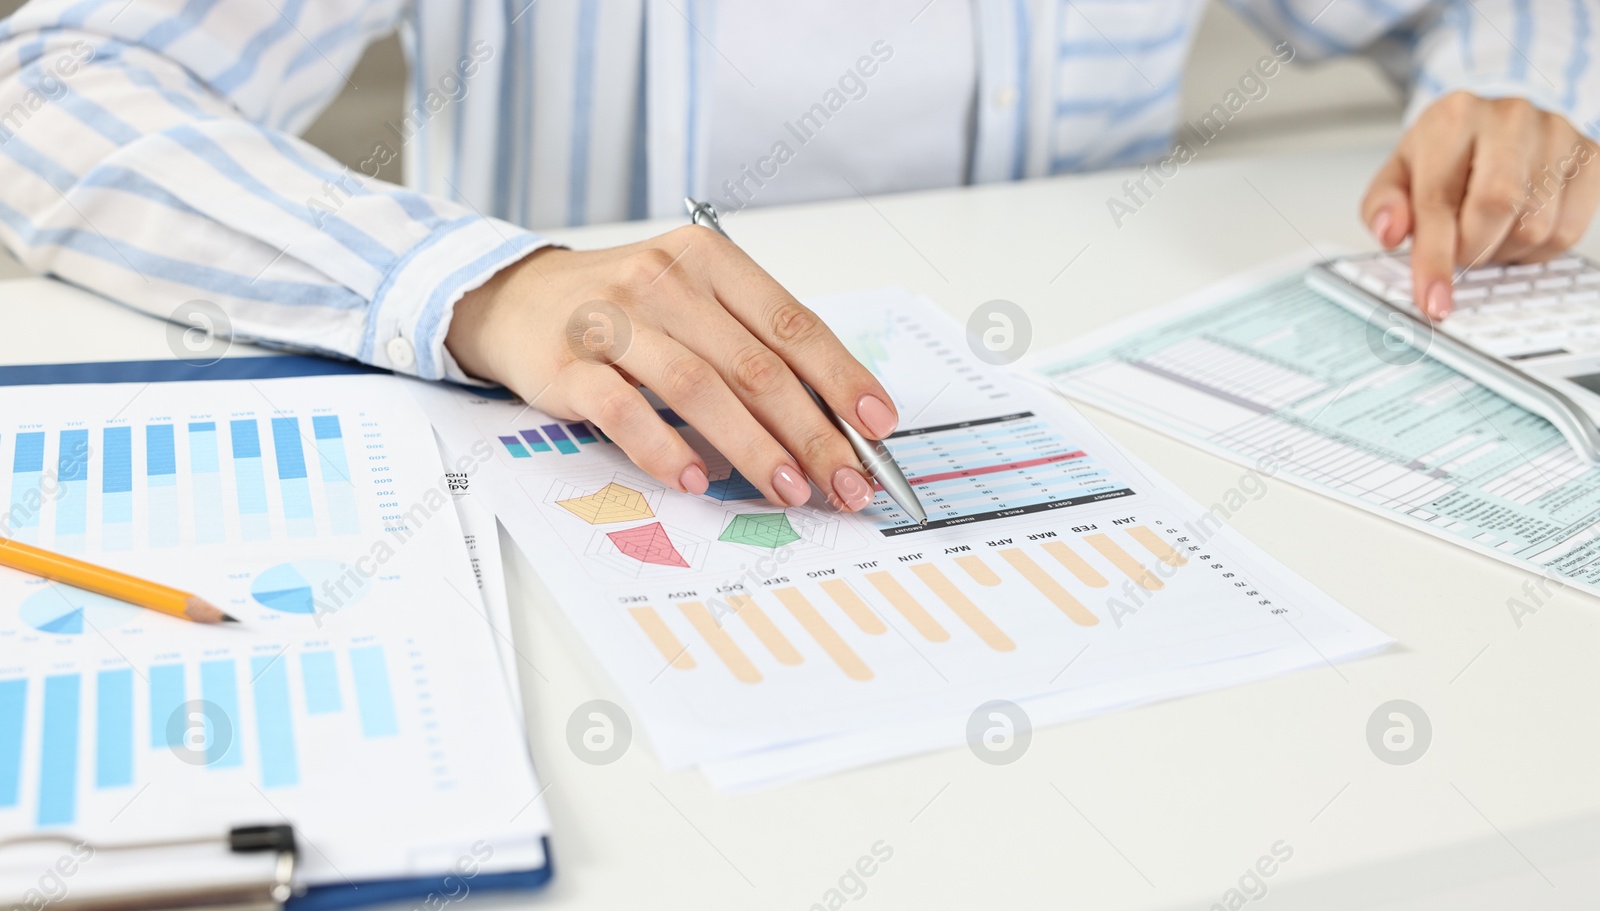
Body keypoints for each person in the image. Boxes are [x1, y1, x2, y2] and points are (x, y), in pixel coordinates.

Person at [1, 1, 1596, 513]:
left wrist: (1527, 105)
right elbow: (52, 81)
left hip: (1099, 469)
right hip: (607, 485)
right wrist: (482, 284)